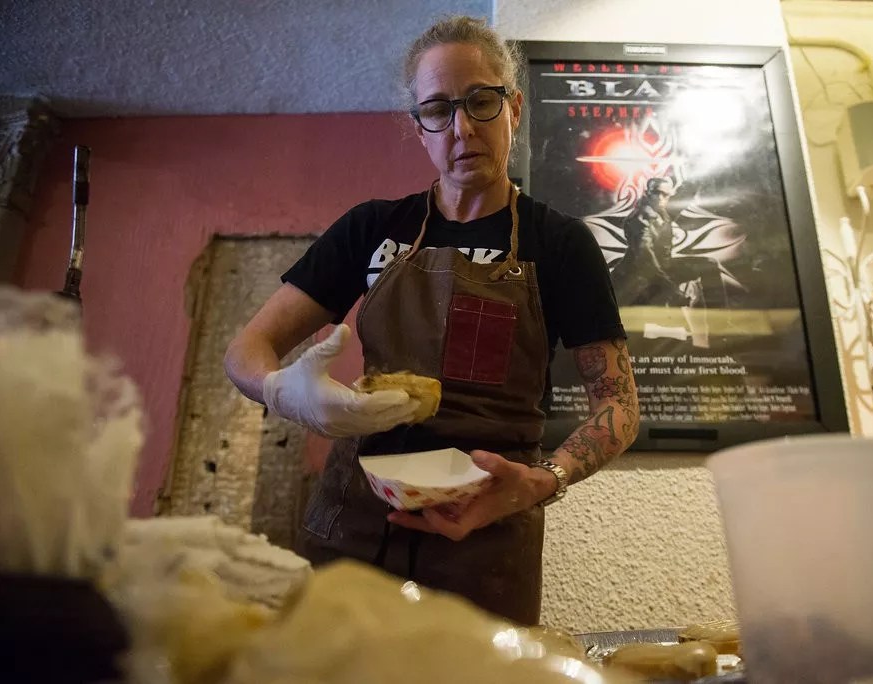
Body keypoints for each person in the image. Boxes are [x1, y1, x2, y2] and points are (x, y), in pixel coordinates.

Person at [223, 16, 638, 625]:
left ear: (514, 108)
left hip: (489, 535)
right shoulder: (373, 228)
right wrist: (286, 393)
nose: (462, 128)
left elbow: (619, 406)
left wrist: (541, 481)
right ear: (420, 128)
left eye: (481, 102)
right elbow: (246, 350)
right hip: (354, 524)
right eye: (439, 110)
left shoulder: (559, 244)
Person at [612, 177, 727, 311]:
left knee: (708, 264)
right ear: (647, 193)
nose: (660, 198)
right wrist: (672, 290)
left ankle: (718, 314)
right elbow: (646, 262)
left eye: (665, 195)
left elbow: (684, 194)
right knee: (639, 314)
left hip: (660, 269)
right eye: (656, 193)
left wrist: (697, 178)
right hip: (635, 279)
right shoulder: (640, 219)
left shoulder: (663, 212)